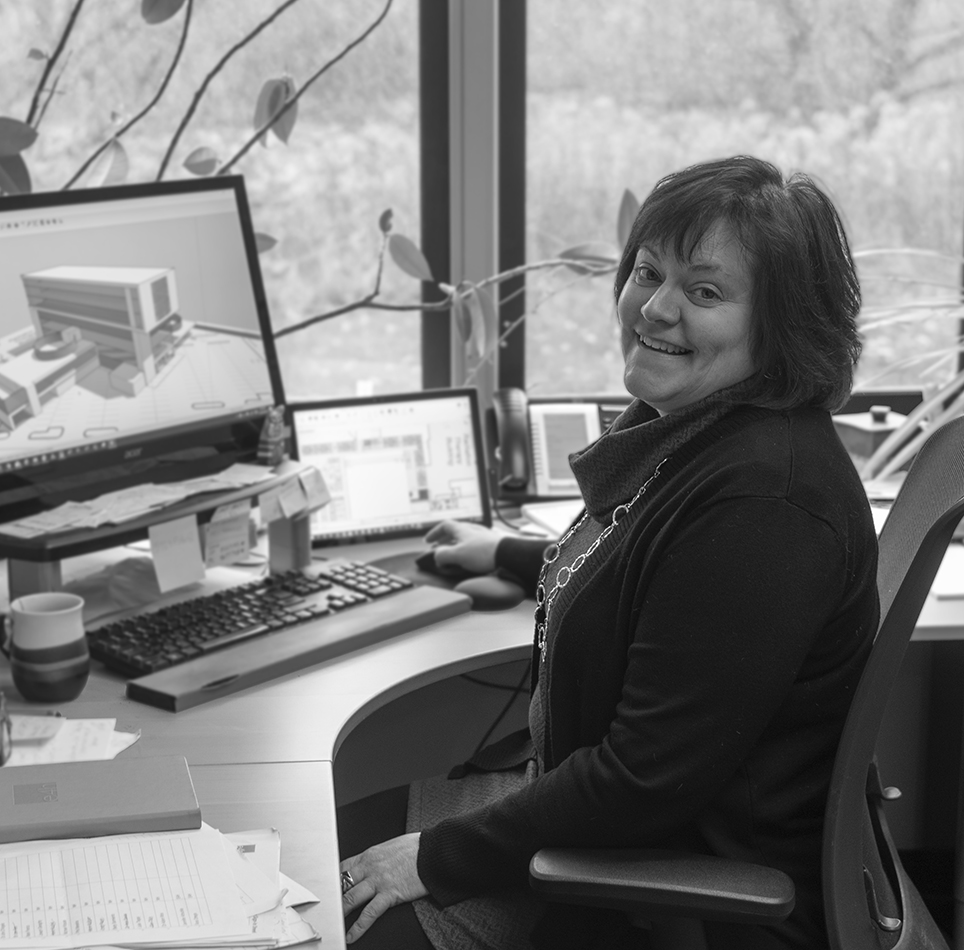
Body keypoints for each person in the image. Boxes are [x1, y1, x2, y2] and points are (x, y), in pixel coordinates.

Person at [337, 155, 880, 949]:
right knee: (310, 844)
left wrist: (433, 858)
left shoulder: (765, 506)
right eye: (646, 273)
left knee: (311, 904)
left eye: (704, 291)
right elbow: (651, 573)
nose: (653, 310)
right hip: (592, 823)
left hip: (655, 886)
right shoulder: (704, 431)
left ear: (783, 325)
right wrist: (512, 555)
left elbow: (640, 781)